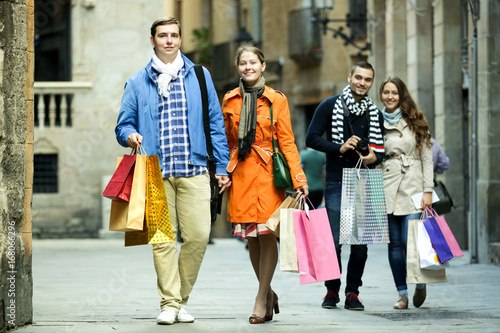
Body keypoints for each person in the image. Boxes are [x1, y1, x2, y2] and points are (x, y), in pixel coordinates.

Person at [115, 17, 231, 325]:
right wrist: (129, 135)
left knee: (198, 236)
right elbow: (122, 124)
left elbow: (215, 125)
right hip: (154, 170)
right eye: (163, 35)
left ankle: (180, 300)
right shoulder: (137, 82)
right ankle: (170, 303)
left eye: (174, 35)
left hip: (194, 168)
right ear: (152, 40)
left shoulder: (200, 76)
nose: (169, 40)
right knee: (162, 240)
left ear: (180, 40)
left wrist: (222, 166)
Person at [222, 46, 309, 324]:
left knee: (267, 234)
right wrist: (221, 172)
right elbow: (224, 141)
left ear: (263, 66)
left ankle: (261, 299)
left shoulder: (276, 100)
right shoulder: (229, 100)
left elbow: (287, 141)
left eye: (253, 63)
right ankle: (269, 293)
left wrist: (298, 178)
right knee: (251, 237)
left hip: (269, 175)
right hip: (241, 175)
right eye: (243, 63)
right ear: (238, 67)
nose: (248, 67)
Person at [305, 62, 385, 311]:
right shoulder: (330, 105)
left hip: (365, 180)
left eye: (368, 79)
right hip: (337, 179)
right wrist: (338, 147)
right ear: (349, 77)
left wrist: (374, 157)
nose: (362, 82)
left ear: (371, 83)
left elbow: (381, 151)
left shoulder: (375, 113)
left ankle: (353, 293)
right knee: (334, 241)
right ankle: (331, 290)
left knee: (361, 243)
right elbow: (311, 138)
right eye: (358, 77)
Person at [379, 76, 433, 309]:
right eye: (385, 92)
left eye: (394, 93)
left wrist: (428, 190)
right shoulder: (376, 120)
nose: (389, 97)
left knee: (409, 239)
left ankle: (419, 283)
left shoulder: (415, 120)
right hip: (388, 184)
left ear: (402, 96)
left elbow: (427, 158)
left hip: (413, 184)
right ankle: (402, 294)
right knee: (394, 245)